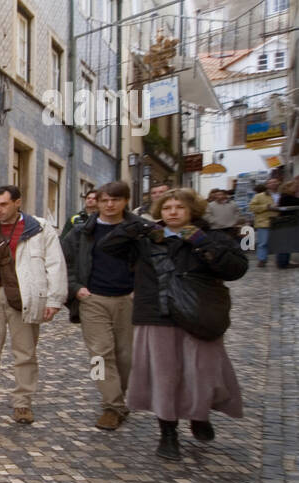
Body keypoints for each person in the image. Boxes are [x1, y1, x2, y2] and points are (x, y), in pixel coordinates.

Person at [98, 188, 247, 461]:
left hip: (199, 315)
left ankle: (198, 415)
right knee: (165, 377)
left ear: (191, 210)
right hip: (157, 314)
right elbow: (108, 247)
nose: (173, 212)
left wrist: (202, 243)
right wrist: (134, 229)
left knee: (201, 372)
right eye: (167, 208)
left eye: (179, 207)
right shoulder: (147, 239)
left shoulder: (212, 237)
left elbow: (236, 268)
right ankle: (168, 433)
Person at [0, 184, 67, 424]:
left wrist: (54, 299)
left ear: (18, 202)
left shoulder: (39, 229)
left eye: (3, 204)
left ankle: (22, 404)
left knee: (25, 353)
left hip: (24, 296)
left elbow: (55, 264)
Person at [62, 181, 137, 430]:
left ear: (125, 201)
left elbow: (150, 264)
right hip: (93, 300)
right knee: (99, 354)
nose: (109, 205)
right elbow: (66, 263)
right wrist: (76, 288)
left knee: (125, 356)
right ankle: (111, 405)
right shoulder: (82, 232)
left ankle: (119, 397)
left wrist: (140, 289)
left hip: (127, 299)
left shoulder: (137, 231)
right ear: (97, 202)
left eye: (115, 200)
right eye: (105, 200)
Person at [248, 178, 280, 268]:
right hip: (264, 221)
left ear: (278, 183)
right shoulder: (259, 196)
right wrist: (267, 206)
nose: (274, 184)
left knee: (279, 242)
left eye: (275, 182)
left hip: (279, 221)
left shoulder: (281, 194)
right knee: (263, 242)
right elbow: (252, 207)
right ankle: (262, 259)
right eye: (271, 182)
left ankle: (280, 260)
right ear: (267, 185)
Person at [271, 178, 299, 269]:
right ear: (288, 187)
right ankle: (283, 263)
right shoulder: (286, 197)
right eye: (294, 186)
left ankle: (284, 262)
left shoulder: (285, 196)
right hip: (287, 223)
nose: (296, 188)